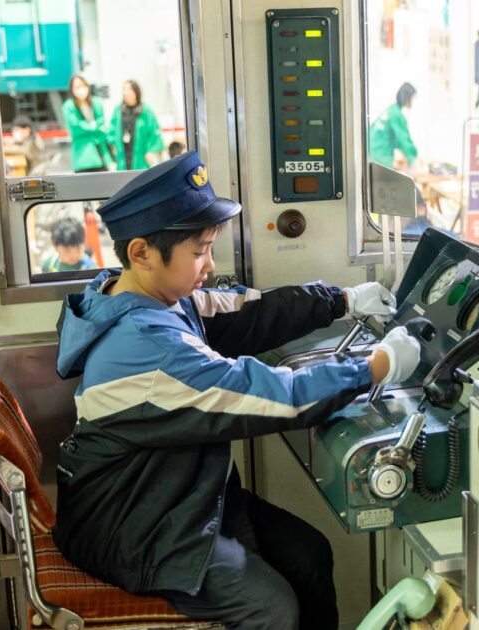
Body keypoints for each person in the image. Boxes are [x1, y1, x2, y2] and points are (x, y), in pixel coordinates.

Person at [53, 151, 421, 630]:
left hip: (179, 496)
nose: (209, 264)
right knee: (271, 608)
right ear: (141, 253)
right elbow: (270, 395)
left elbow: (246, 311)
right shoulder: (145, 345)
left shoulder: (143, 297)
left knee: (309, 556)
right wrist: (374, 368)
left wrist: (341, 300)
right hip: (135, 527)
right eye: (199, 251)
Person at [109, 80, 165, 170]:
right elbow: (112, 130)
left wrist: (151, 151)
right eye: (124, 89)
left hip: (140, 155)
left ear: (136, 92)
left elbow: (154, 131)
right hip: (122, 154)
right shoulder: (118, 110)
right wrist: (113, 148)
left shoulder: (146, 110)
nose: (126, 92)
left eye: (129, 89)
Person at [62, 75, 113, 173]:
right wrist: (94, 127)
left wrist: (92, 128)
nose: (81, 89)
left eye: (83, 85)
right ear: (72, 90)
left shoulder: (96, 102)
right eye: (77, 87)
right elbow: (76, 127)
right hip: (82, 156)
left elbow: (101, 124)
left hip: (101, 154)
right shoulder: (68, 106)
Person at [368, 82, 418, 170]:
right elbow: (404, 139)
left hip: (371, 153)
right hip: (380, 156)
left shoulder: (391, 110)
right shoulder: (396, 114)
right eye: (412, 98)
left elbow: (396, 139)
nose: (413, 102)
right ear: (407, 97)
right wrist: (413, 158)